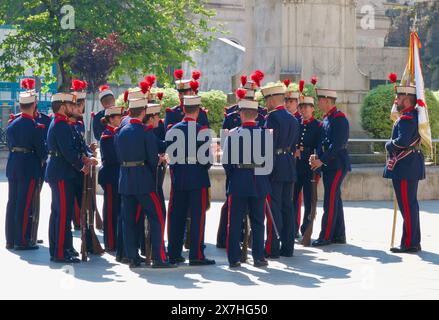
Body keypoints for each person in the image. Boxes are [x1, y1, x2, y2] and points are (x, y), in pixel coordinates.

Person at [115, 97, 173, 269]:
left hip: (125, 179)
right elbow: (152, 159)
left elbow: (119, 156)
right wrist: (159, 160)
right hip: (144, 181)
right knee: (157, 217)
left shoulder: (121, 130)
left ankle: (132, 257)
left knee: (129, 220)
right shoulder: (145, 131)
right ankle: (159, 256)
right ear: (143, 112)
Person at [46, 92, 97, 263]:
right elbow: (68, 152)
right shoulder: (60, 125)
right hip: (61, 172)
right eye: (70, 105)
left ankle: (62, 248)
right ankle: (60, 252)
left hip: (62, 171)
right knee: (62, 214)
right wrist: (82, 165)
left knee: (60, 213)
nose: (73, 108)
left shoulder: (64, 124)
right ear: (62, 107)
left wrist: (85, 158)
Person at [166, 95, 215, 266]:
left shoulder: (173, 129)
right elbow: (207, 160)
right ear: (199, 110)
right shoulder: (202, 130)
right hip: (197, 178)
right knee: (197, 217)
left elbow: (170, 157)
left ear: (184, 109)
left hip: (179, 177)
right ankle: (196, 255)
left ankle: (173, 253)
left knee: (177, 216)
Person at [223, 99, 271, 268]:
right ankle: (258, 257)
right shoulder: (265, 134)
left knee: (235, 222)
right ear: (257, 115)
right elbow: (269, 162)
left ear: (241, 114)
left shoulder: (233, 134)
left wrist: (233, 176)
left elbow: (226, 163)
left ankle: (234, 259)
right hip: (259, 181)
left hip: (238, 182)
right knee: (258, 222)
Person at [5, 78, 47, 250]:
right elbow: (42, 151)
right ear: (34, 105)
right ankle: (22, 240)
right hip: (28, 167)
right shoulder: (35, 126)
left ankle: (11, 239)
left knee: (12, 202)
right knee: (24, 204)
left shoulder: (12, 124)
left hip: (14, 163)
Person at [384, 85, 425, 253]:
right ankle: (412, 240)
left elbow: (402, 141)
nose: (396, 100)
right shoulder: (411, 116)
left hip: (405, 165)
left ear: (407, 99)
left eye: (399, 97)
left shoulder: (407, 118)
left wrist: (388, 145)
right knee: (410, 205)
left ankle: (410, 243)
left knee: (407, 205)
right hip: (409, 164)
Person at [261, 84, 299, 258]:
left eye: (267, 100)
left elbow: (268, 145)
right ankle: (288, 247)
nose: (266, 104)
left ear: (272, 99)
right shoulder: (292, 118)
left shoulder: (272, 118)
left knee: (274, 207)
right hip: (289, 163)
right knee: (287, 207)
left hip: (275, 165)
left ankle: (272, 248)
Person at [310, 88, 351, 247]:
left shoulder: (339, 119)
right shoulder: (328, 118)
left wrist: (322, 161)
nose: (318, 102)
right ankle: (339, 235)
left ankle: (326, 236)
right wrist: (317, 156)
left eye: (319, 100)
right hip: (329, 164)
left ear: (327, 101)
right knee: (335, 199)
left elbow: (337, 145)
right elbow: (323, 143)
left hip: (337, 165)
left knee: (330, 200)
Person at [292, 95, 322, 238]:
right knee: (292, 199)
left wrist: (304, 153)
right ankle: (292, 229)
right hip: (296, 167)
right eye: (301, 107)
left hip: (310, 168)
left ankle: (306, 230)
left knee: (309, 201)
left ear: (312, 109)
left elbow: (319, 148)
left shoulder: (318, 125)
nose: (303, 110)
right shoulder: (296, 123)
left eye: (306, 107)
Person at [99, 107, 124, 252]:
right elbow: (112, 158)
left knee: (117, 209)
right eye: (118, 117)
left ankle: (115, 239)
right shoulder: (107, 136)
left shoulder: (115, 133)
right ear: (111, 119)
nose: (120, 119)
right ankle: (110, 242)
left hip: (116, 175)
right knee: (111, 209)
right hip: (110, 175)